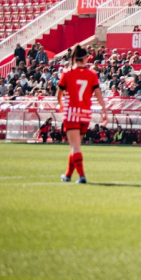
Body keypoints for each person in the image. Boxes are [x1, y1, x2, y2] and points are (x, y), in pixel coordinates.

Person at [56, 46, 110, 184]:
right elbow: (98, 95)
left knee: (75, 146)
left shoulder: (67, 73)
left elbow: (59, 94)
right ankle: (68, 175)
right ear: (85, 58)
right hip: (85, 114)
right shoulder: (92, 74)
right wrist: (104, 110)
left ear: (74, 58)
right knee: (76, 145)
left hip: (71, 113)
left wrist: (61, 105)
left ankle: (82, 176)